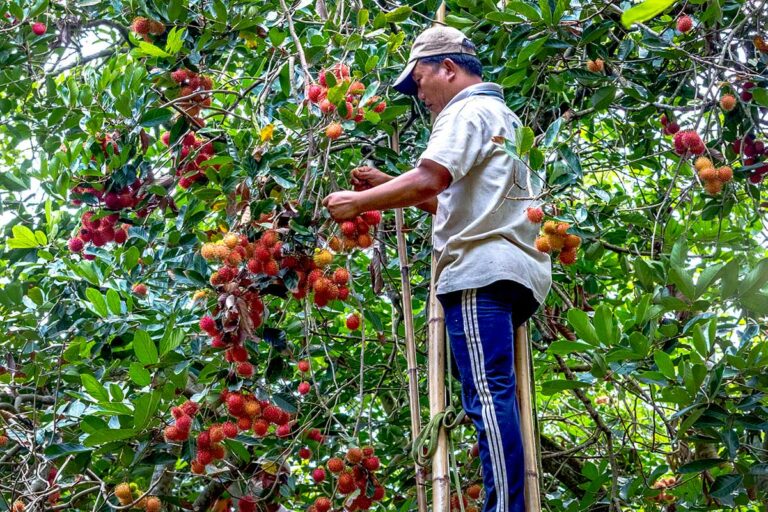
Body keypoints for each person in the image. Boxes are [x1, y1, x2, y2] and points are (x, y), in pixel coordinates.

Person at [322, 25, 551, 512]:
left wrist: (358, 201)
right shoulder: (504, 118)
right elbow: (458, 200)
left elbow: (430, 177)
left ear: (448, 69)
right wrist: (387, 184)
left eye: (419, 79)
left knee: (487, 398)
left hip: (479, 272)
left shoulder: (463, 110)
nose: (419, 94)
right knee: (496, 394)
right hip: (515, 273)